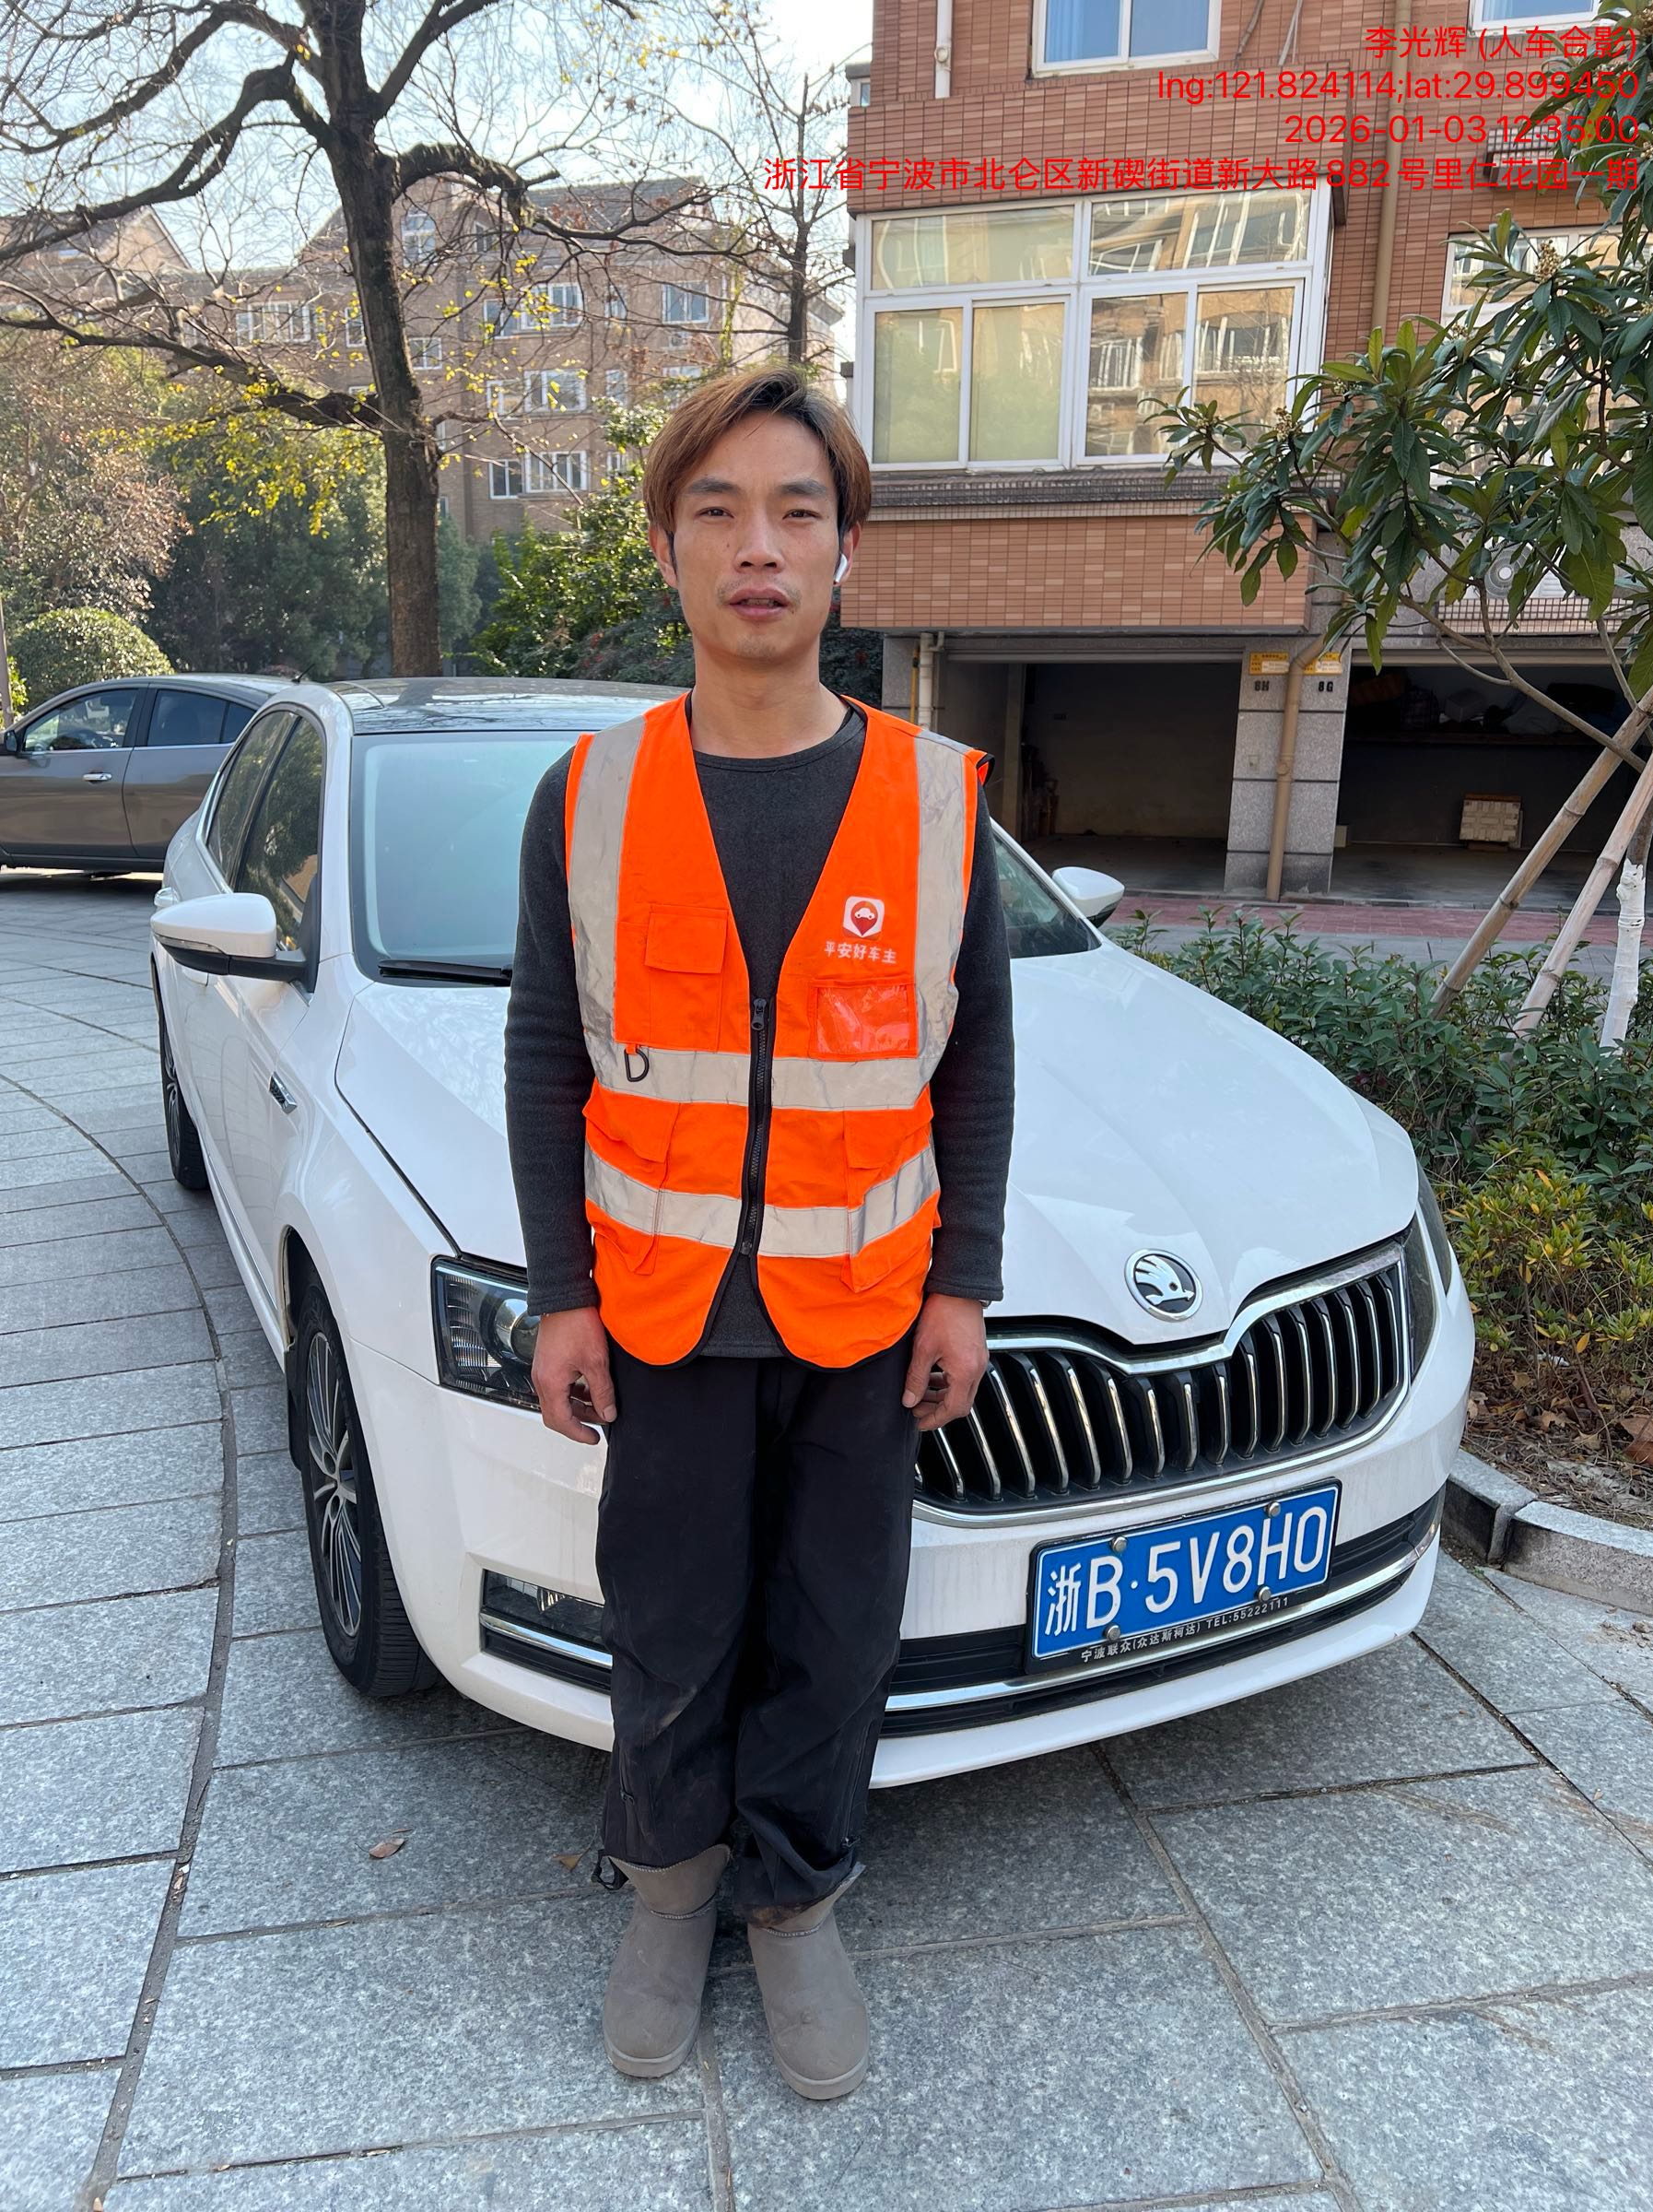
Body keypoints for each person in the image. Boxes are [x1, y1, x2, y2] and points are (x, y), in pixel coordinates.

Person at [504, 363, 1014, 2102]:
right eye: (716, 511)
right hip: (660, 1314)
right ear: (666, 548)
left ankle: (795, 1906)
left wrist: (965, 1283)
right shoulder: (589, 796)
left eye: (799, 511)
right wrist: (558, 1296)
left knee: (834, 1628)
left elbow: (978, 1059)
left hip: (865, 1313)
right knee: (672, 1627)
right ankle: (668, 1895)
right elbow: (546, 1052)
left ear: (846, 550)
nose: (759, 549)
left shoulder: (935, 800)